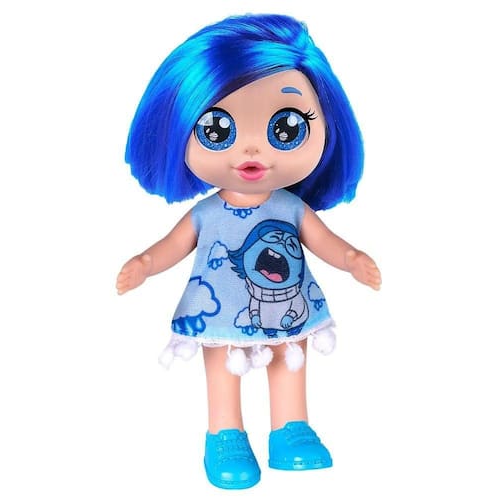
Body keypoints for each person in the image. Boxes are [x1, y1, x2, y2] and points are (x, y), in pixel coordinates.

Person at [116, 13, 381, 490]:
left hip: (288, 303)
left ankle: (291, 427)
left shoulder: (290, 207)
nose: (252, 150)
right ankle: (225, 433)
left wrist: (352, 259)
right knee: (223, 364)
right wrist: (145, 264)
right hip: (219, 307)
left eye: (286, 128)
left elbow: (323, 241)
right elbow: (174, 245)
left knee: (289, 358)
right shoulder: (206, 213)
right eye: (218, 129)